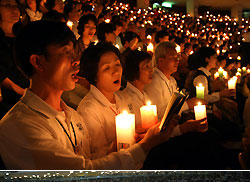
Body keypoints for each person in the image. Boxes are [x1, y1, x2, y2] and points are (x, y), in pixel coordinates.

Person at [0, 20, 178, 168]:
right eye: (66, 53)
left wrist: (117, 146)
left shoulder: (72, 115)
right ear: (38, 62)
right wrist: (145, 145)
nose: (75, 62)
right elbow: (82, 174)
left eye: (74, 53)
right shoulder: (20, 125)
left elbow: (90, 160)